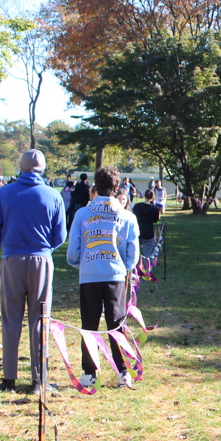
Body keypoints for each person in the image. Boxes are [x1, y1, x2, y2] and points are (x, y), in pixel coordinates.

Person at [0, 150, 66, 394]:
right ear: (43, 169)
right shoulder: (53, 195)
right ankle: (38, 380)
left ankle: (9, 379)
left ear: (20, 167)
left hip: (12, 259)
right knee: (40, 318)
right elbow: (60, 235)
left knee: (11, 319)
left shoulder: (4, 193)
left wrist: (10, 246)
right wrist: (43, 249)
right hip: (41, 260)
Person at [66, 166, 140, 390]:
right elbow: (133, 255)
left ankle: (89, 373)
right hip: (116, 275)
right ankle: (123, 372)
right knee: (116, 324)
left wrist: (86, 264)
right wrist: (122, 267)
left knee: (89, 324)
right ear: (117, 187)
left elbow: (72, 254)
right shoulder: (127, 216)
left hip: (89, 275)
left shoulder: (82, 214)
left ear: (95, 186)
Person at [132, 189, 161, 258]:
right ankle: (146, 264)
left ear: (144, 196)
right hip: (148, 232)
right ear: (153, 197)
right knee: (147, 254)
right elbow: (155, 220)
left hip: (137, 230)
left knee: (134, 253)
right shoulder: (154, 208)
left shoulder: (137, 206)